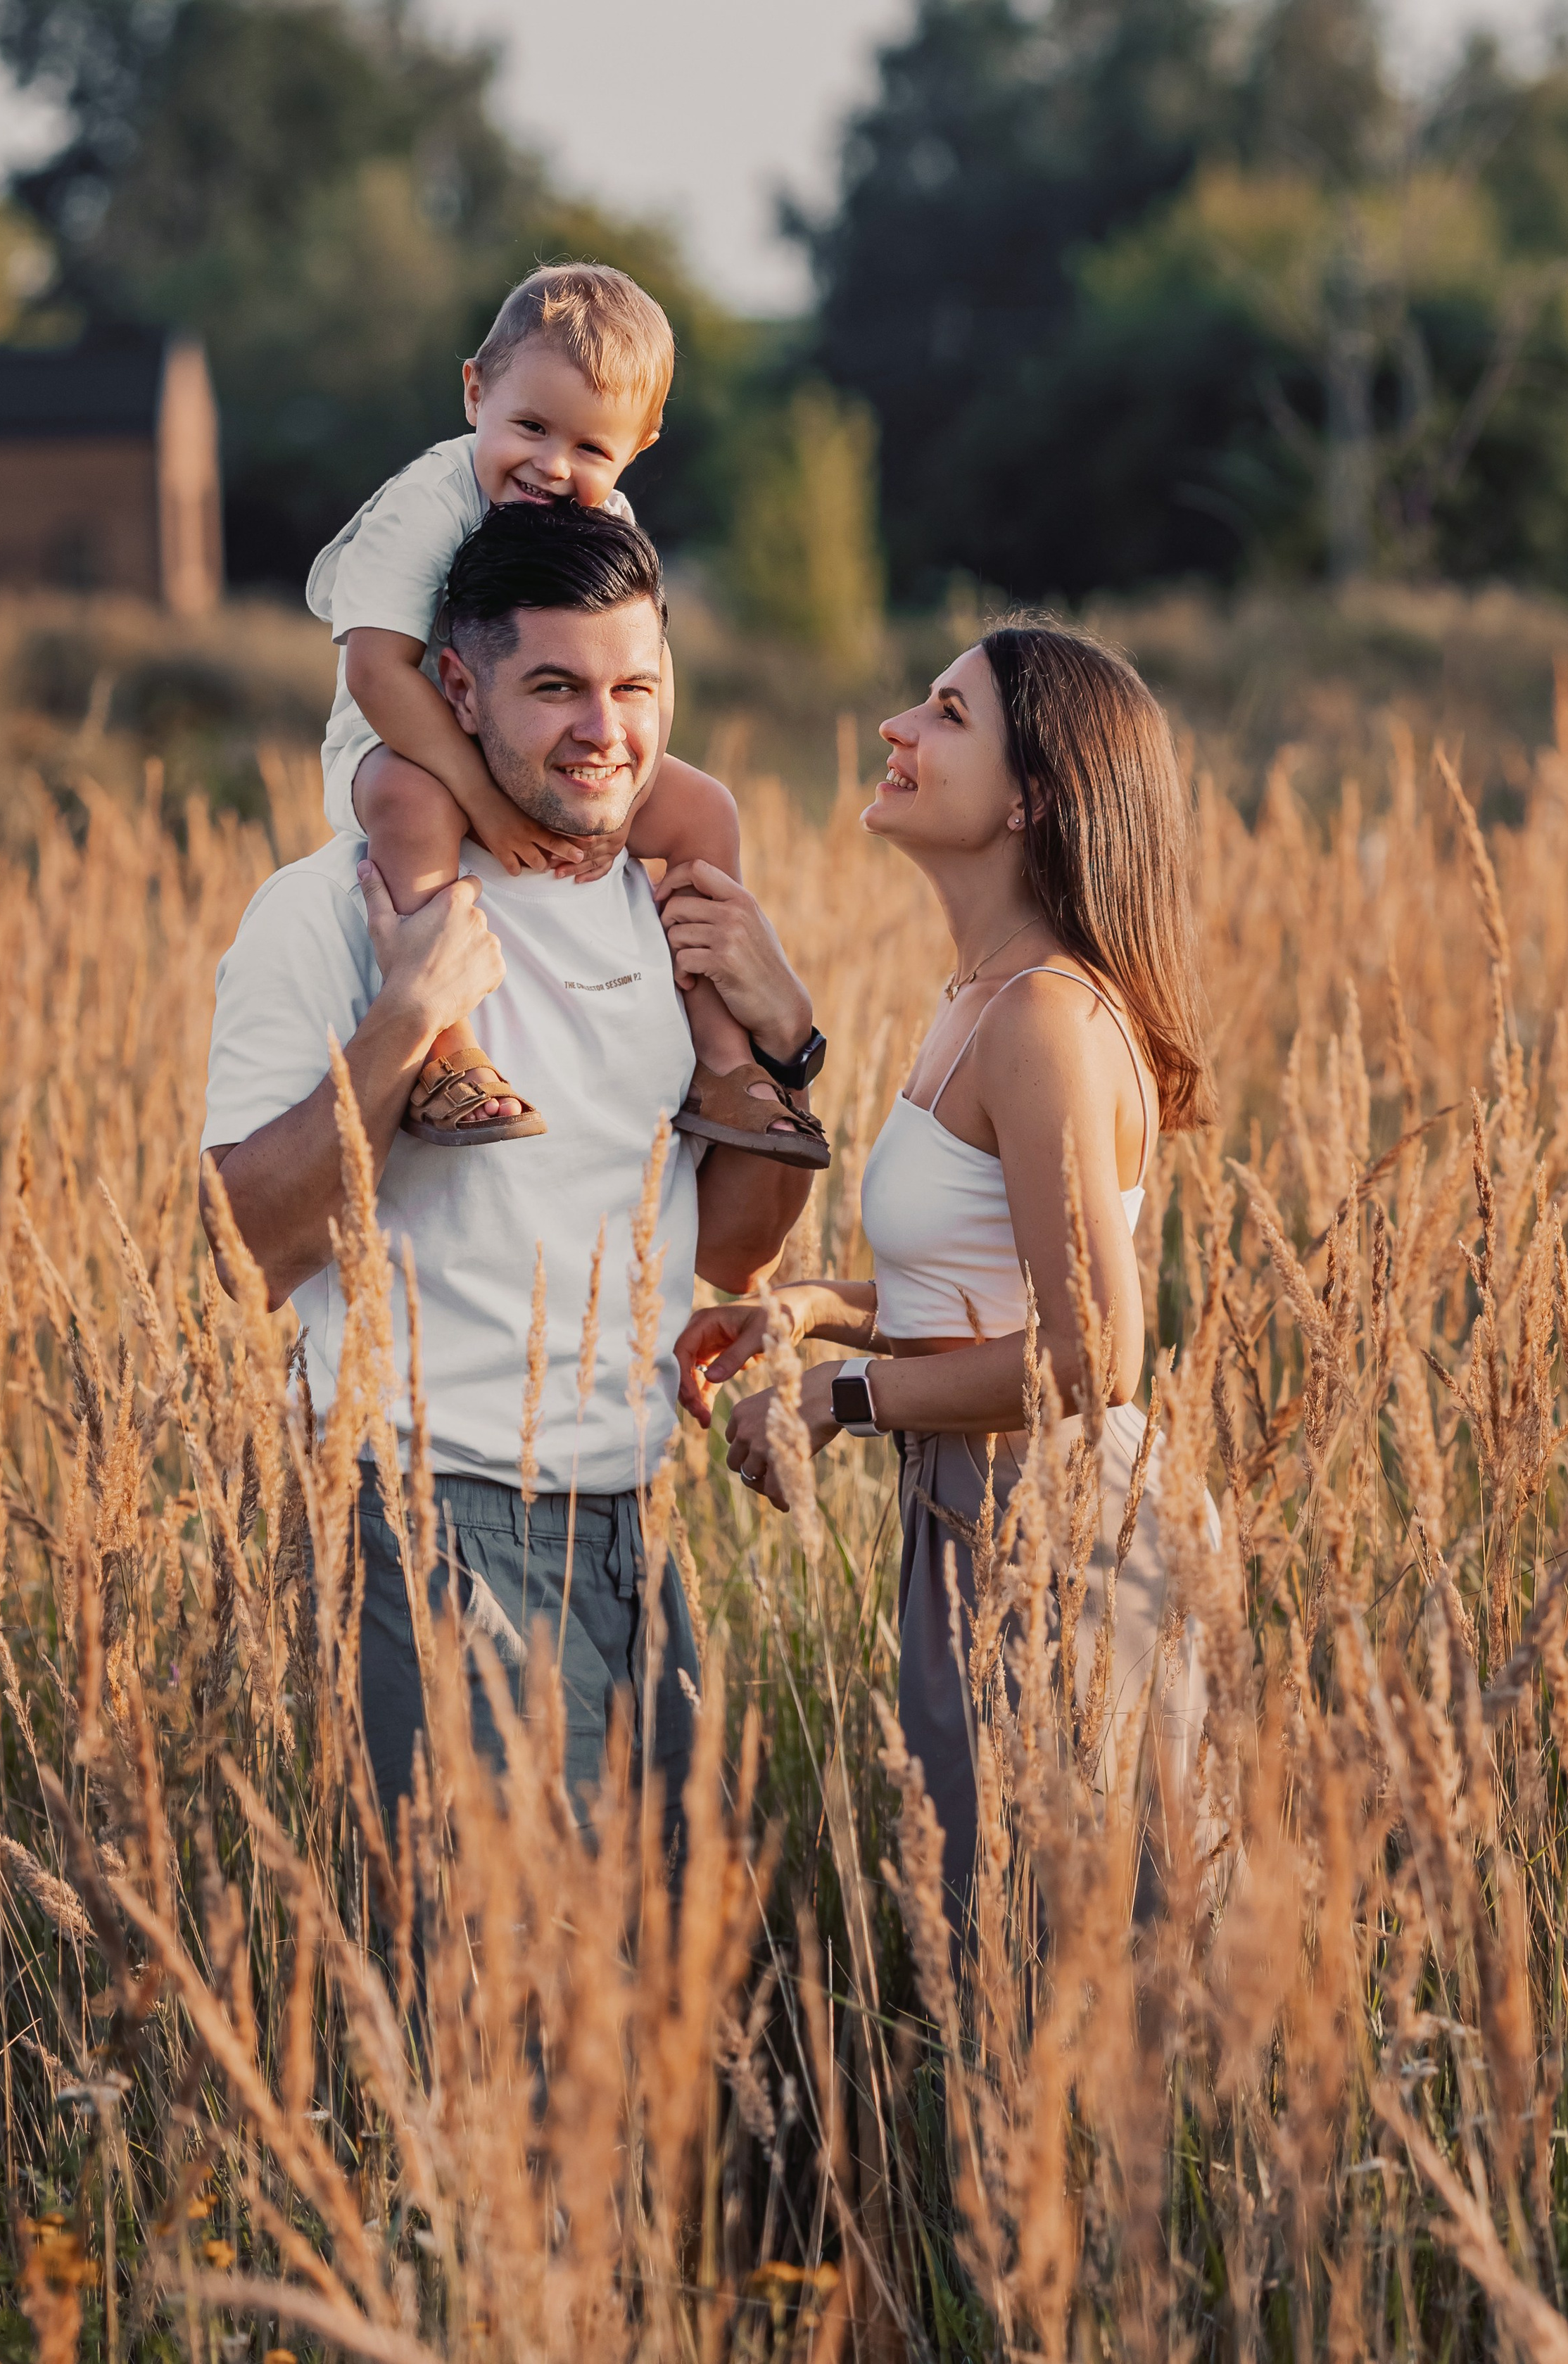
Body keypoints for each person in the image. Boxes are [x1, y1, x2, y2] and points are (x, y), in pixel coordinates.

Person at [203, 500, 818, 1838]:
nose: (606, 730)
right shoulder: (328, 909)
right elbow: (247, 1248)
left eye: (636, 688)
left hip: (627, 1524)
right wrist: (405, 1027)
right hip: (424, 1512)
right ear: (456, 688)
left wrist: (786, 1045)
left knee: (663, 1986)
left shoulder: (662, 901)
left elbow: (735, 1250)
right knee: (504, 2000)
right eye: (557, 688)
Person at [675, 618, 1220, 1924]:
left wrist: (838, 1401)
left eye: (945, 714)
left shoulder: (1042, 1015)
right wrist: (816, 1311)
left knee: (1076, 1977)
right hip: (973, 1510)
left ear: (1033, 797)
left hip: (1056, 1534)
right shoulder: (980, 994)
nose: (896, 732)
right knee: (1004, 1955)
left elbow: (1095, 1356)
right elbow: (997, 1290)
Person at [305, 259, 828, 1168]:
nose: (552, 466)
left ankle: (721, 1059)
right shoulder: (426, 504)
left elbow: (649, 671)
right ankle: (446, 1051)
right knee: (409, 799)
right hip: (410, 734)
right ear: (476, 392)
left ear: (641, 443)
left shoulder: (612, 524)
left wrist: (625, 787)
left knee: (705, 810)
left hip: (549, 741)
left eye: (590, 448)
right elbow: (378, 671)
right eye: (531, 427)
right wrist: (486, 800)